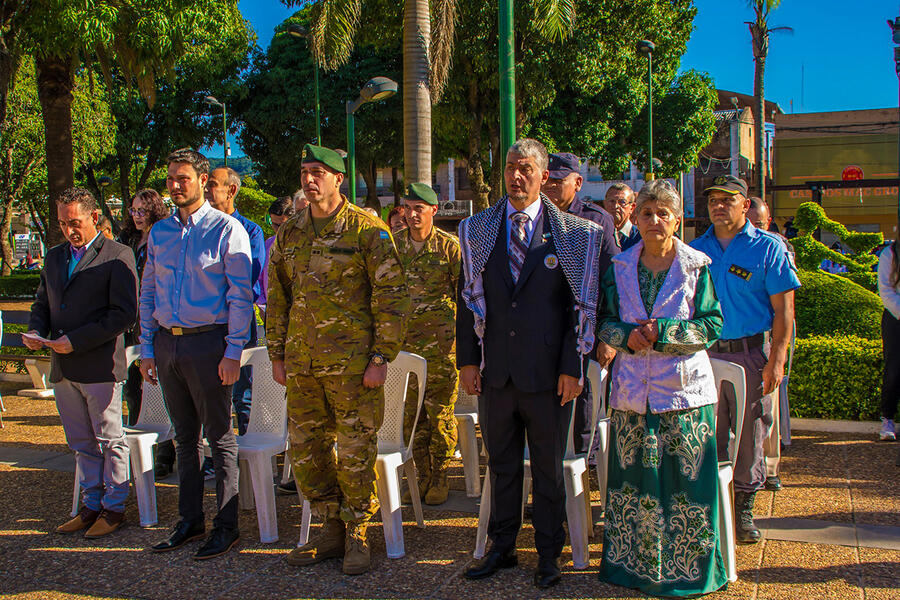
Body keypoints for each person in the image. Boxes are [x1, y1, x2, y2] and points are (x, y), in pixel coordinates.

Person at [458, 139, 604, 589]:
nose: (516, 177)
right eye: (509, 168)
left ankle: (547, 554)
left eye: (525, 169)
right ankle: (501, 548)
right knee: (500, 465)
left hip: (548, 378)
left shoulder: (575, 235)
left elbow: (578, 308)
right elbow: (466, 301)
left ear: (544, 176)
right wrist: (467, 361)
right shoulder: (478, 229)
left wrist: (571, 367)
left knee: (547, 470)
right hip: (496, 373)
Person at [266, 144, 409, 575]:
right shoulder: (290, 232)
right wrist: (277, 353)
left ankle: (358, 531)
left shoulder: (367, 229)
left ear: (337, 179)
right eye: (305, 171)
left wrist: (382, 357)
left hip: (353, 368)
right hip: (303, 365)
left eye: (318, 173)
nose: (309, 180)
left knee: (353, 452)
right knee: (307, 451)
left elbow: (392, 296)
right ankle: (330, 526)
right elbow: (277, 296)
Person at [595, 179, 727, 597]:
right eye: (647, 213)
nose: (654, 220)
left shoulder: (696, 265)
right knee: (634, 484)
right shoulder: (619, 268)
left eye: (663, 214)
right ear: (635, 218)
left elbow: (712, 323)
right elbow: (603, 320)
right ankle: (632, 568)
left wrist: (667, 331)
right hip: (633, 393)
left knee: (686, 485)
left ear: (676, 219)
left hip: (684, 394)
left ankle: (690, 571)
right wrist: (625, 337)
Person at [141, 148, 253, 560]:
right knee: (184, 437)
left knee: (220, 438)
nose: (174, 185)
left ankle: (227, 526)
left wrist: (233, 351)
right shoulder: (160, 233)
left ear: (203, 181)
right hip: (168, 343)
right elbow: (148, 289)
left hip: (210, 343)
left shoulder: (227, 230)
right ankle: (189, 520)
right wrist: (149, 347)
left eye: (183, 178)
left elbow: (241, 297)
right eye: (170, 178)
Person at [690, 175, 800, 544]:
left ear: (745, 204)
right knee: (711, 429)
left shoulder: (767, 248)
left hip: (751, 353)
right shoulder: (697, 249)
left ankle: (744, 506)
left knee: (752, 429)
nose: (718, 206)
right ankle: (713, 502)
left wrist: (778, 360)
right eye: (713, 200)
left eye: (727, 199)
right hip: (706, 354)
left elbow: (784, 311)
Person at [25, 187, 138, 538]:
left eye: (75, 222)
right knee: (80, 442)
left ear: (94, 217)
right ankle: (90, 504)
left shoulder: (117, 254)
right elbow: (43, 302)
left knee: (109, 439)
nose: (68, 230)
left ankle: (115, 506)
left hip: (99, 365)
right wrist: (35, 330)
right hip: (63, 368)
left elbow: (123, 315)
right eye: (62, 223)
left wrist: (75, 340)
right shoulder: (56, 257)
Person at [542, 151, 620, 453]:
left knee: (583, 401)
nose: (551, 187)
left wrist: (608, 335)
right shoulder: (537, 217)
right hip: (546, 328)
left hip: (585, 329)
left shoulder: (597, 220)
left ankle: (582, 466)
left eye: (559, 181)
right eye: (548, 180)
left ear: (578, 182)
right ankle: (553, 464)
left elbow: (611, 281)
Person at [395, 182, 461, 506]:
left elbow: (466, 297)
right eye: (408, 207)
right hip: (405, 350)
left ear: (434, 210)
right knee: (411, 417)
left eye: (418, 208)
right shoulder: (395, 248)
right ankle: (420, 475)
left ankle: (440, 476)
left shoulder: (450, 248)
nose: (411, 214)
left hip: (440, 349)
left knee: (440, 416)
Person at [117, 189, 175, 473]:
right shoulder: (127, 240)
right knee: (131, 387)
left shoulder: (164, 236)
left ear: (154, 209)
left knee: (160, 386)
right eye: (134, 210)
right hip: (130, 321)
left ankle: (165, 450)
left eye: (142, 210)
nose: (137, 216)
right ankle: (138, 448)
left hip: (154, 319)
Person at [205, 166, 266, 437]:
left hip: (238, 323)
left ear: (231, 190)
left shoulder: (250, 231)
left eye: (212, 185)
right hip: (208, 326)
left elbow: (247, 278)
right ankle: (212, 458)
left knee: (243, 395)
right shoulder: (201, 229)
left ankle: (245, 453)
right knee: (209, 395)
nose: (206, 190)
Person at [258, 196, 295, 325]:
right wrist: (262, 304)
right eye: (275, 224)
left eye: (282, 225)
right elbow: (260, 276)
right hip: (272, 311)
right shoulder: (269, 243)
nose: (278, 229)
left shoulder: (301, 244)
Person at [877, 234, 900, 441]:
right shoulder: (890, 254)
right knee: (894, 370)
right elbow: (886, 290)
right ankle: (888, 418)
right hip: (895, 319)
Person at [603, 183, 641, 251]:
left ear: (632, 207)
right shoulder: (598, 235)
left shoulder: (641, 238)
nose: (616, 206)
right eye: (612, 201)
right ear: (605, 204)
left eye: (622, 202)